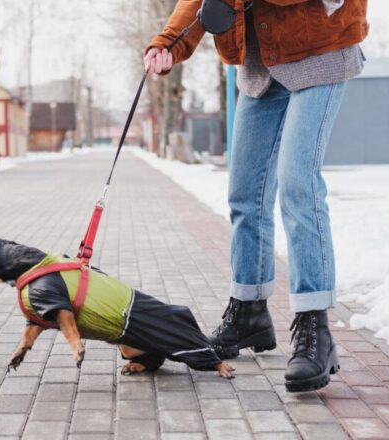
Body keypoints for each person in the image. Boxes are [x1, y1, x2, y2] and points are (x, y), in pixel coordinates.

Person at [145, 0, 368, 392]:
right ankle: (248, 312)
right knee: (245, 194)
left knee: (298, 183)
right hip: (259, 63)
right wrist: (169, 43)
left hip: (320, 48)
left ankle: (314, 326)